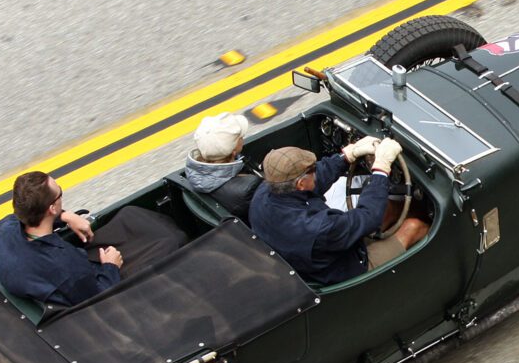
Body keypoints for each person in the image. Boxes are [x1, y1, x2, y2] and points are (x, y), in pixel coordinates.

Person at [248, 137, 429, 285]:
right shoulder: (317, 228)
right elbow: (368, 216)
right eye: (312, 170)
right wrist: (381, 169)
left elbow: (316, 179)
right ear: (300, 184)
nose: (316, 171)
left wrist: (346, 156)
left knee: (390, 207)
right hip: (348, 269)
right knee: (414, 226)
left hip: (317, 257)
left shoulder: (264, 194)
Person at [0, 172, 123, 305]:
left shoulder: (4, 229)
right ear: (52, 208)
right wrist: (111, 266)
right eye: (60, 192)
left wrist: (64, 216)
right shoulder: (66, 264)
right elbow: (100, 297)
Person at [183, 112, 260, 219]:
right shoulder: (249, 187)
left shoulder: (193, 174)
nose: (242, 137)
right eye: (240, 137)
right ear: (234, 151)